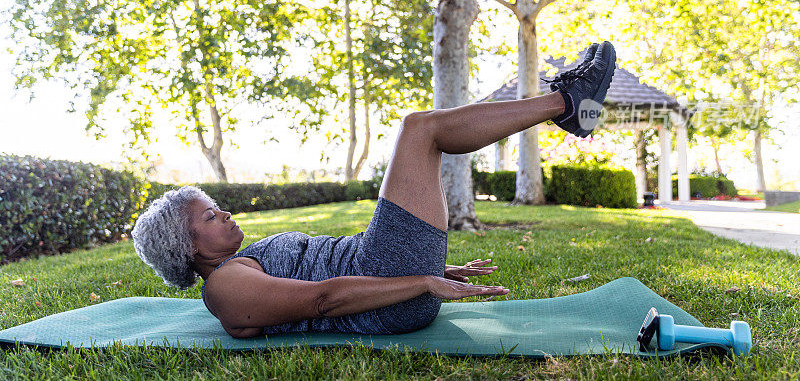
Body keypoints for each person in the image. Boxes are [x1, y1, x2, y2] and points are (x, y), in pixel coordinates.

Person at [132, 41, 616, 338]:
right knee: (420, 130)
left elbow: (317, 279)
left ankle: (566, 105)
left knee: (422, 131)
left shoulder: (237, 269)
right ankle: (566, 102)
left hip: (384, 272)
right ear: (187, 246)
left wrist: (433, 270)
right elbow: (321, 299)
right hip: (385, 286)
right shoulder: (223, 287)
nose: (227, 215)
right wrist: (422, 282)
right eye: (211, 218)